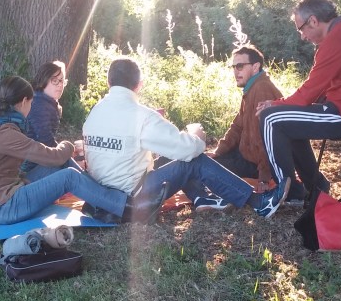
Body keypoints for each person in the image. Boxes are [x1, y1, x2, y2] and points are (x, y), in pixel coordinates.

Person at [82, 57, 282, 221]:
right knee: (193, 160)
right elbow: (186, 149)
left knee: (170, 159)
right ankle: (259, 203)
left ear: (109, 82)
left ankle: (202, 198)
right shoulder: (141, 115)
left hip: (100, 194)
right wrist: (197, 137)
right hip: (130, 197)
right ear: (138, 85)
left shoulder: (95, 112)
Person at [256, 0, 341, 218]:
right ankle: (315, 189)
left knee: (271, 119)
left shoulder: (337, 39)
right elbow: (320, 90)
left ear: (313, 21)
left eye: (301, 29)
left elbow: (310, 91)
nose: (302, 36)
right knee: (287, 122)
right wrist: (286, 106)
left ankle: (286, 191)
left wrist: (275, 104)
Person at [0, 75, 141, 225]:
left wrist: (63, 153)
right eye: (31, 102)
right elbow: (52, 156)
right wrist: (69, 145)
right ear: (23, 101)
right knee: (69, 176)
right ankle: (129, 208)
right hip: (2, 208)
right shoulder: (5, 133)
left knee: (64, 163)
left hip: (1, 196)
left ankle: (102, 203)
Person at [0, 60, 75, 204]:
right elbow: (48, 151)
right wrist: (69, 147)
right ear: (24, 101)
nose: (59, 85)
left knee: (66, 168)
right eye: (55, 81)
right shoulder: (7, 130)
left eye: (62, 81)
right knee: (68, 172)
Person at [207, 44, 308, 205]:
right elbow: (237, 126)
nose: (235, 71)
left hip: (254, 164)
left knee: (203, 168)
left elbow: (264, 139)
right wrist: (218, 151)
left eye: (240, 66)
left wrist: (264, 178)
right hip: (245, 155)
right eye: (233, 66)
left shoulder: (261, 89)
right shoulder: (251, 87)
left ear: (255, 67)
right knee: (206, 161)